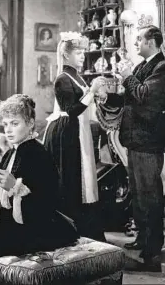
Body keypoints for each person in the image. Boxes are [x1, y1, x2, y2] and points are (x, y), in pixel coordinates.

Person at [0, 94, 79, 284]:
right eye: (5, 125)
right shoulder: (8, 154)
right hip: (9, 228)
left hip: (34, 232)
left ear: (30, 124)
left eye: (14, 123)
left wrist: (16, 188)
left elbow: (48, 205)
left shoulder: (40, 155)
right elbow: (2, 205)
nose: (8, 130)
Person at [43, 32, 106, 241]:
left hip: (78, 130)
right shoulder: (62, 78)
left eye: (83, 52)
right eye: (78, 53)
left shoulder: (76, 76)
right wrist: (92, 91)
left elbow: (83, 105)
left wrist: (98, 93)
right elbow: (72, 110)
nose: (82, 56)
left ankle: (86, 232)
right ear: (67, 55)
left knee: (82, 177)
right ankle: (71, 232)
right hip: (66, 133)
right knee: (71, 179)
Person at [118, 25, 165, 271]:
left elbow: (143, 97)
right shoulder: (142, 66)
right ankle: (142, 238)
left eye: (139, 38)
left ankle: (153, 250)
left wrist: (128, 76)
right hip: (134, 140)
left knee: (150, 196)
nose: (136, 42)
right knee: (139, 195)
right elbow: (130, 98)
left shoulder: (162, 68)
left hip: (148, 143)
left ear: (152, 41)